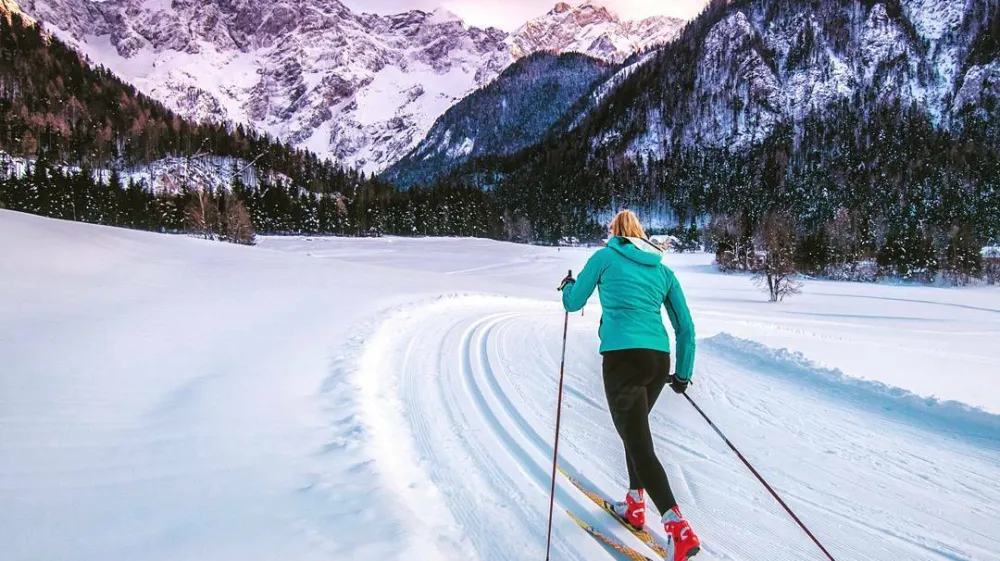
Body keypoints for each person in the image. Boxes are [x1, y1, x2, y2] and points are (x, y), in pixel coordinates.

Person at [559, 210, 700, 560]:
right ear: (642, 235)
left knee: (638, 442)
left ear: (615, 233)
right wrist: (682, 374)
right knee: (634, 432)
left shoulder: (605, 256)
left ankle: (678, 529)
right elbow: (686, 327)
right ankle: (636, 504)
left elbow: (573, 302)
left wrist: (567, 285)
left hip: (622, 359)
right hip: (657, 359)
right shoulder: (663, 270)